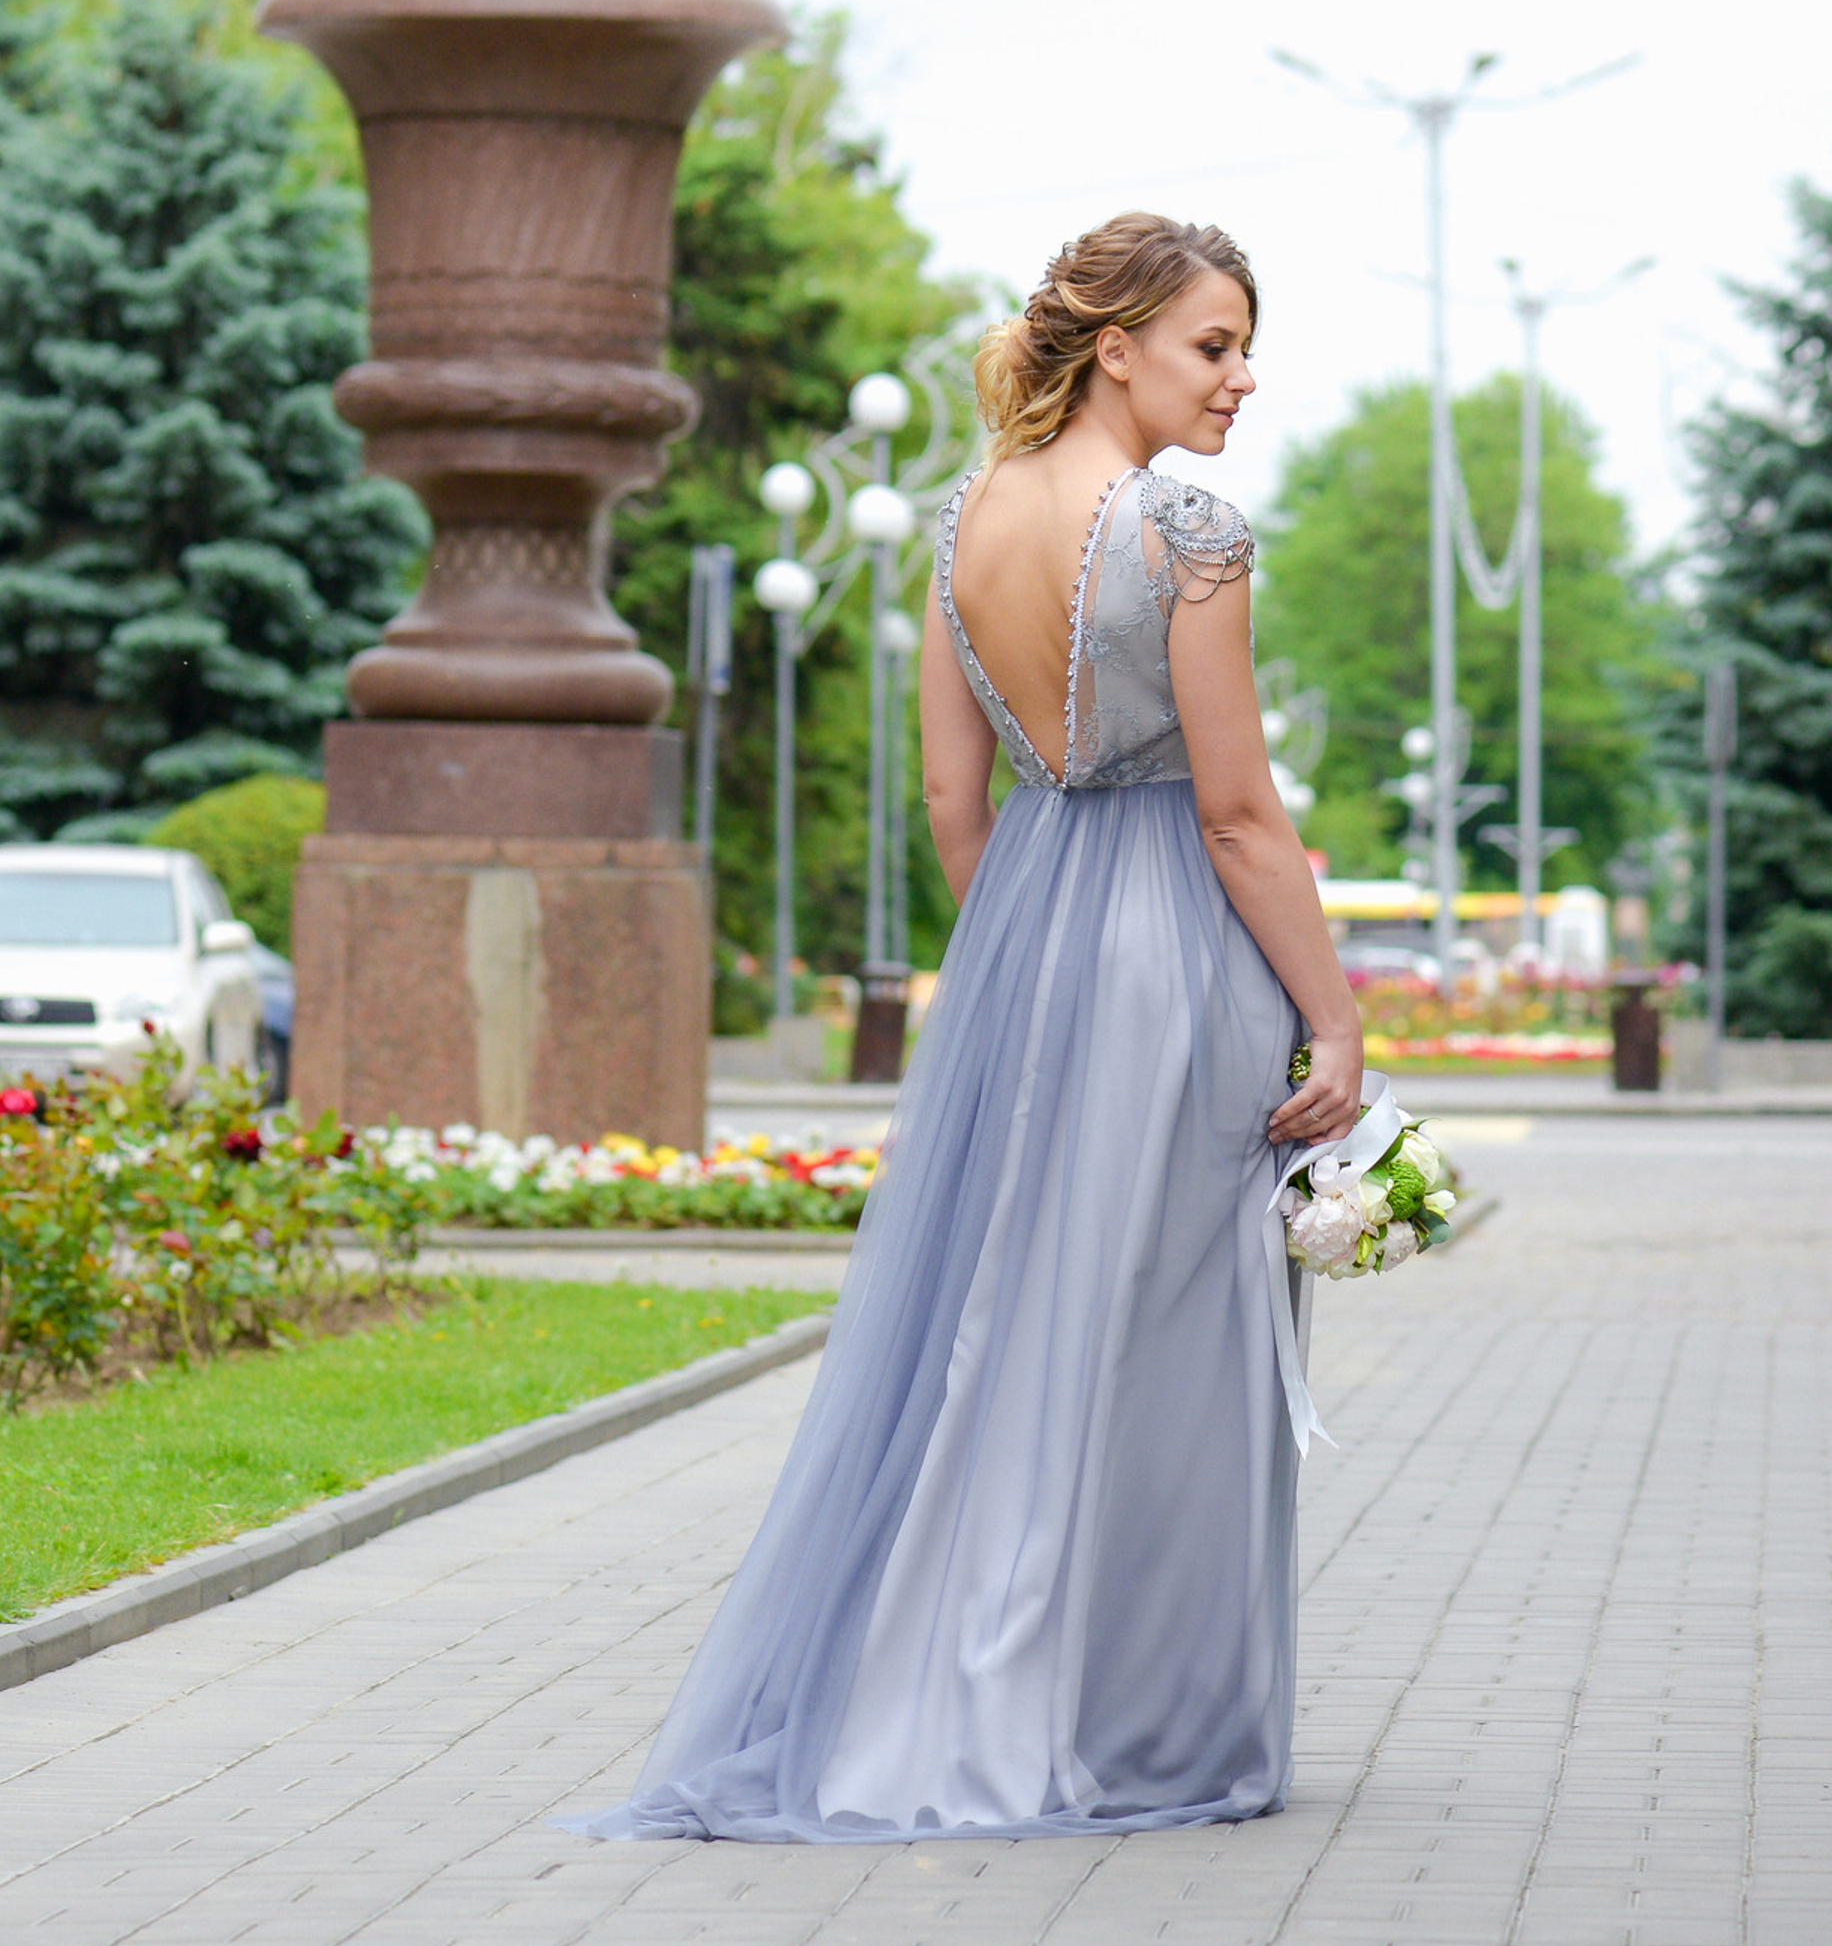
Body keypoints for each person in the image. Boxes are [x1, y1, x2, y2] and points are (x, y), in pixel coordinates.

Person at [568, 212, 1367, 1843]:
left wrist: (1032, 950)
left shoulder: (960, 526)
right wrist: (1335, 1019)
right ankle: (1138, 1726)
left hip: (1035, 942)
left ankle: (953, 1689)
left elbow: (955, 803)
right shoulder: (1188, 529)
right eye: (1215, 344)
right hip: (1175, 947)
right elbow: (1236, 812)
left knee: (1006, 1324)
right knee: (1168, 1337)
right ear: (1120, 343)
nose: (1241, 377)